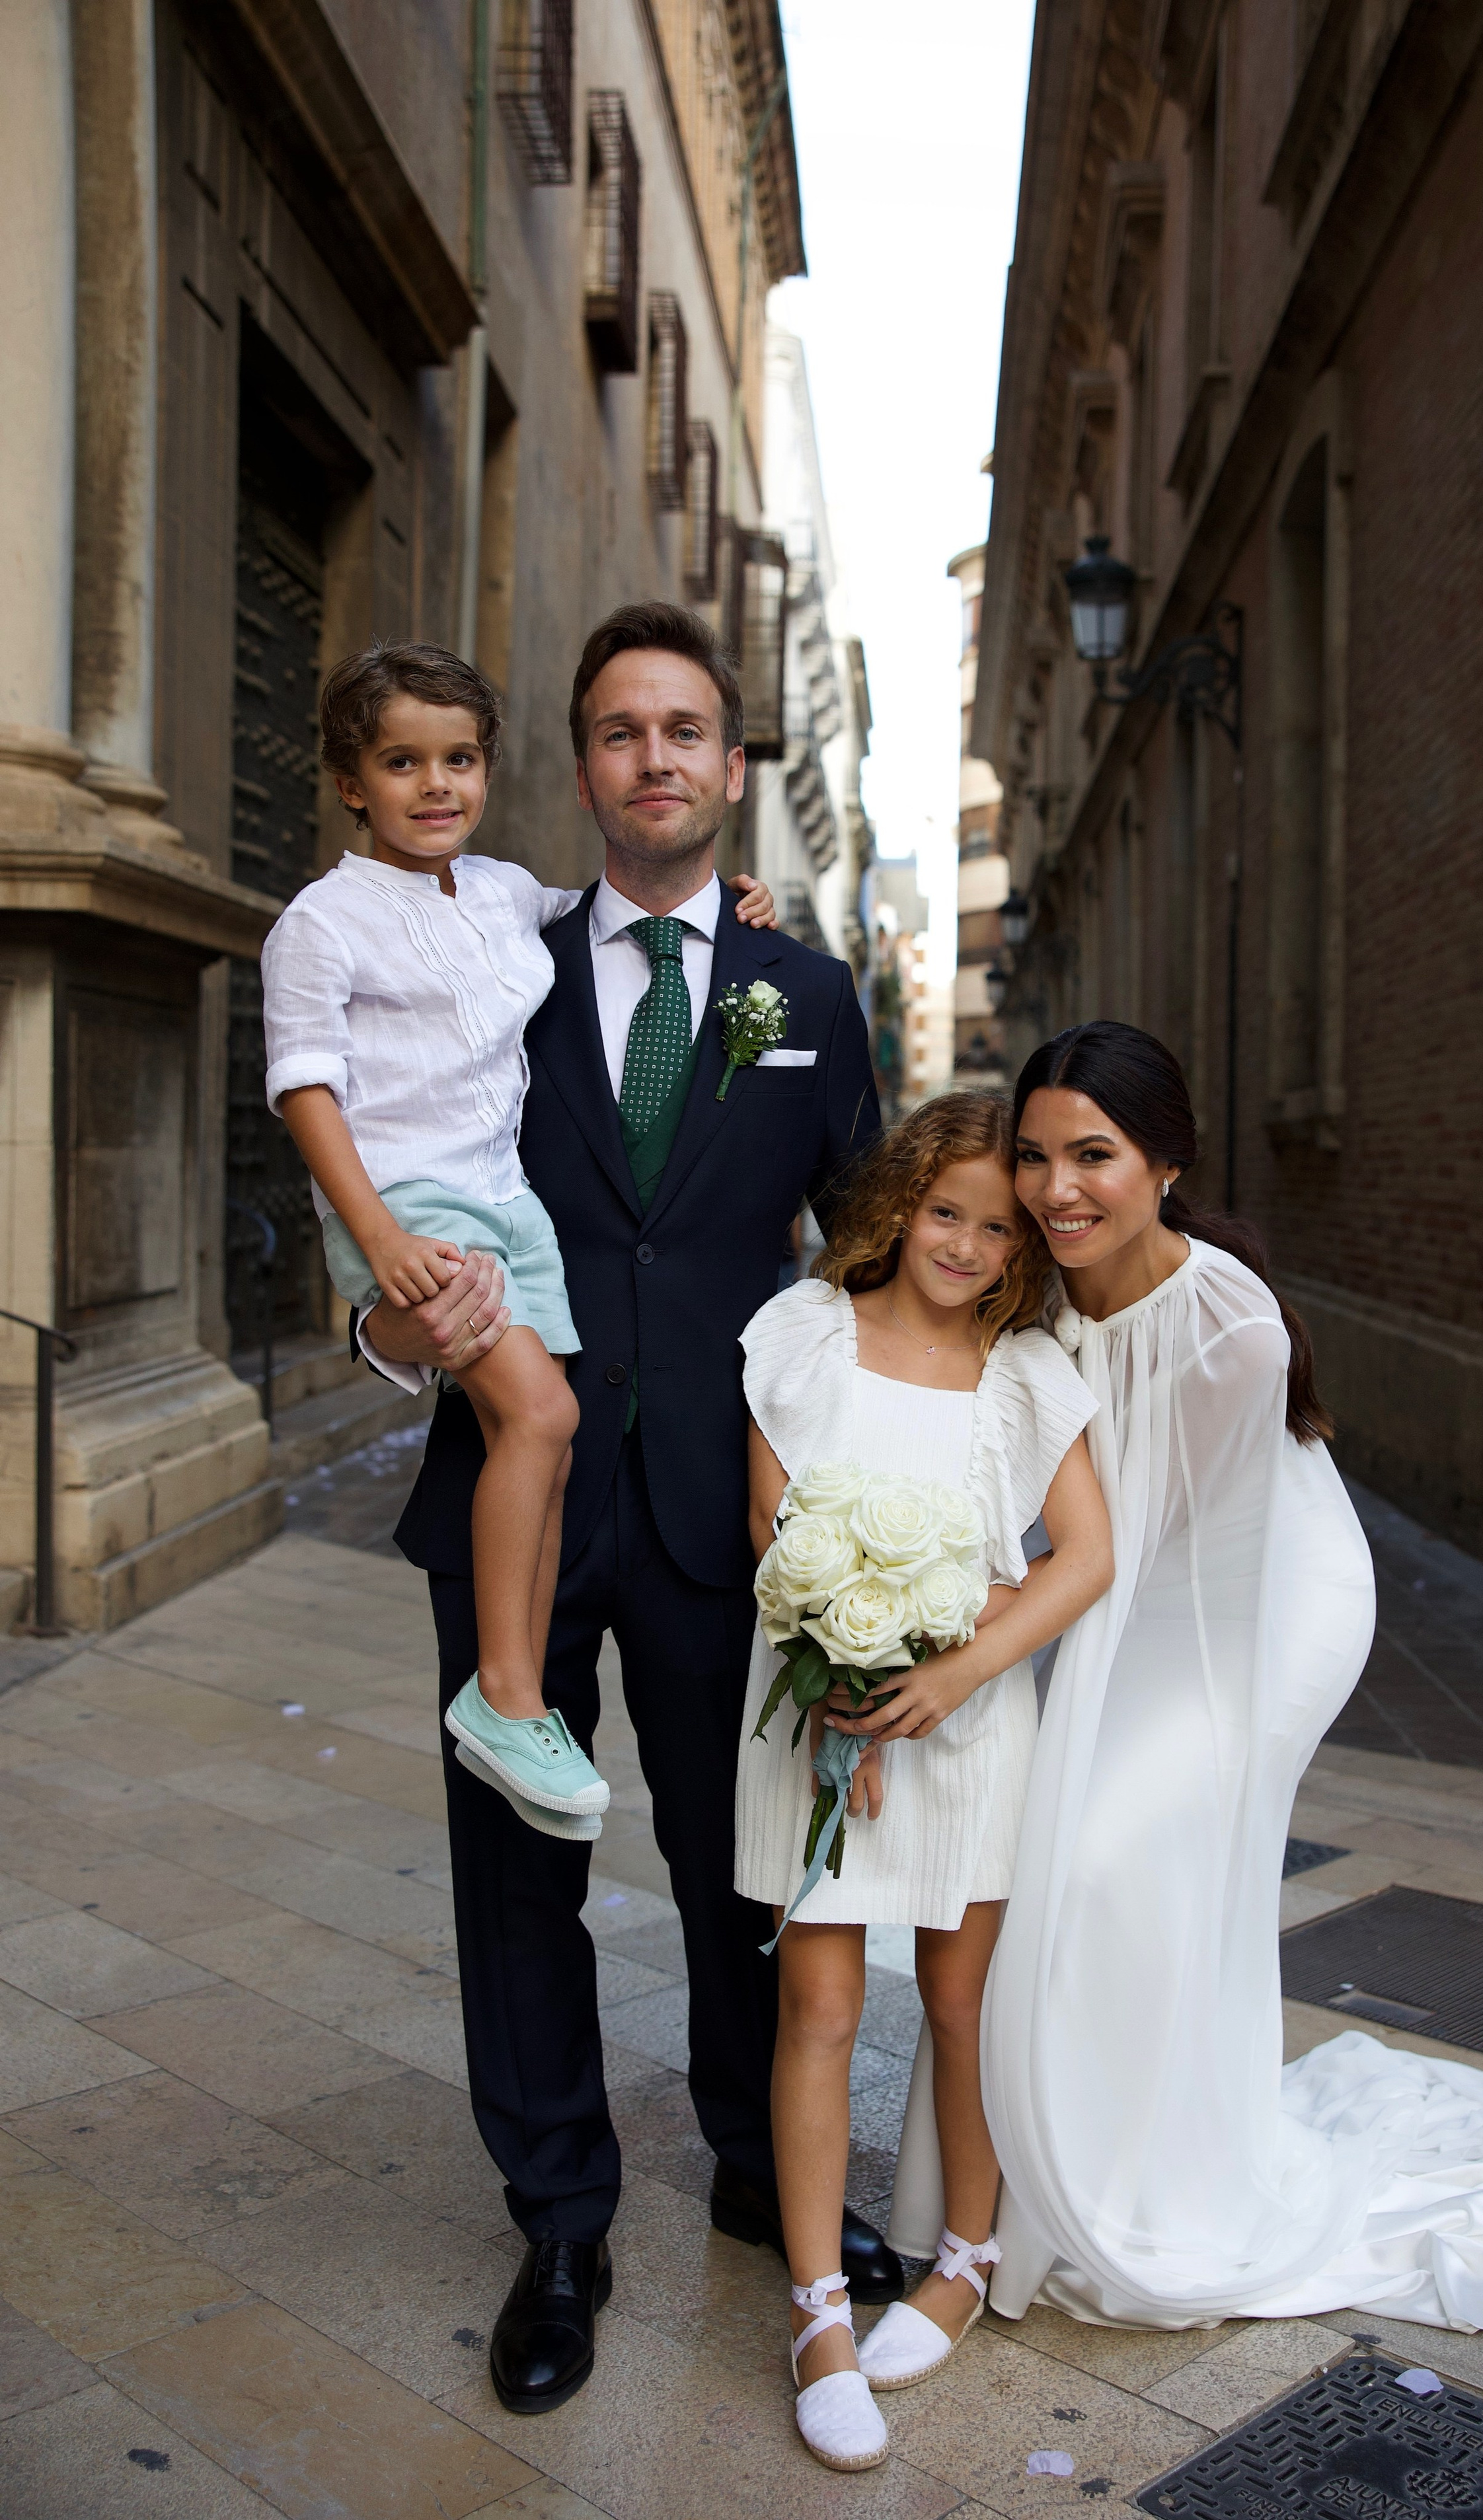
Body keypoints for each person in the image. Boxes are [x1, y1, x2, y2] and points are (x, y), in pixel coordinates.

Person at [358, 606, 903, 2418]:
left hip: (724, 1508)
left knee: (740, 1859)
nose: (652, 755)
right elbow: (390, 1176)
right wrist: (383, 1321)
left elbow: (866, 1260)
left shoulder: (808, 993)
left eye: (683, 728)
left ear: (731, 766)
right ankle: (561, 2223)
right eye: (616, 729)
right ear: (579, 769)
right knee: (515, 1868)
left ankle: (760, 2160)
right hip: (512, 1489)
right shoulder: (484, 960)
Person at [972, 1019, 1483, 2336]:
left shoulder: (1230, 1330)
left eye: (1093, 1155)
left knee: (1108, 1852)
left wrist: (978, 1622)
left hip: (1266, 1606)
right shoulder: (1036, 1281)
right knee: (1076, 1858)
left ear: (1167, 1163)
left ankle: (1145, 2183)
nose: (1055, 1188)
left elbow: (1128, 1546)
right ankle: (1086, 2153)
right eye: (1033, 1155)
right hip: (1138, 1581)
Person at [263, 643, 775, 1835]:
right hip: (415, 1207)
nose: (435, 785)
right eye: (402, 762)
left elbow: (611, 913)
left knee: (539, 1433)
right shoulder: (322, 922)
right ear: (349, 781)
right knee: (543, 1414)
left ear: (489, 768)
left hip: (508, 1205)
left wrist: (739, 909)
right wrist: (378, 1234)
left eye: (459, 759)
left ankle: (520, 1693)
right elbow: (304, 1087)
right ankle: (505, 1690)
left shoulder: (500, 892)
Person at [734, 1094, 1112, 2470]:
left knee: (962, 2002)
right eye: (945, 1210)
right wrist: (841, 1675)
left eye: (997, 1228)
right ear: (898, 1205)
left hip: (968, 1721)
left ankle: (962, 2255)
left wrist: (955, 1671)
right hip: (814, 1706)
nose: (964, 1243)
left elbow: (1081, 1555)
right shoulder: (804, 1333)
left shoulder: (1023, 1373)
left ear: (1024, 1250)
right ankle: (818, 2314)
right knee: (821, 2007)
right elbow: (771, 1520)